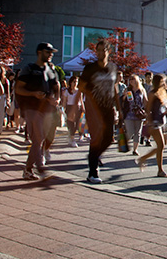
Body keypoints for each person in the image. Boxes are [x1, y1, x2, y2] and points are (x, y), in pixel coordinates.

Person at [16, 43, 60, 180]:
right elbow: (18, 88)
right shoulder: (29, 69)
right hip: (32, 108)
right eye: (48, 52)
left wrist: (56, 99)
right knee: (39, 137)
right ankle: (41, 167)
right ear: (39, 52)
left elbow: (57, 85)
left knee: (38, 139)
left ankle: (28, 169)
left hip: (47, 109)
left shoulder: (50, 70)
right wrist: (33, 93)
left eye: (52, 52)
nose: (51, 54)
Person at [79, 39, 119, 184]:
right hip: (94, 108)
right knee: (96, 138)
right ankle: (92, 172)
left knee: (109, 138)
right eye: (98, 50)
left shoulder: (113, 68)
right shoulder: (90, 68)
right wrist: (87, 103)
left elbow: (115, 89)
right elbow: (81, 86)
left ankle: (93, 156)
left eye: (104, 50)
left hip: (108, 108)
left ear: (109, 51)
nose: (101, 53)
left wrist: (118, 109)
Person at [137, 74, 167, 177]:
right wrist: (149, 122)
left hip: (162, 121)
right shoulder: (152, 94)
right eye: (163, 81)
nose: (165, 83)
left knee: (161, 146)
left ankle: (143, 159)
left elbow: (165, 110)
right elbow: (148, 109)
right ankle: (160, 170)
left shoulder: (163, 93)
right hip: (155, 122)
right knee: (161, 145)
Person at [121, 75, 147, 155]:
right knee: (130, 132)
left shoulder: (142, 90)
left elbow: (146, 101)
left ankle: (135, 149)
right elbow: (121, 101)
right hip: (129, 113)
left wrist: (147, 112)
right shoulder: (128, 89)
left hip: (139, 114)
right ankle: (122, 142)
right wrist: (124, 96)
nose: (131, 81)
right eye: (130, 79)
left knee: (138, 133)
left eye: (133, 79)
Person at [62, 75, 84, 148]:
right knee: (71, 124)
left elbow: (81, 100)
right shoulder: (66, 91)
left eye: (76, 82)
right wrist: (63, 109)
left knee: (77, 124)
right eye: (74, 82)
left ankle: (72, 137)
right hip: (70, 107)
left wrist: (83, 109)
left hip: (78, 108)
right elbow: (64, 102)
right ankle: (72, 138)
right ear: (71, 82)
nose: (75, 83)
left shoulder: (79, 91)